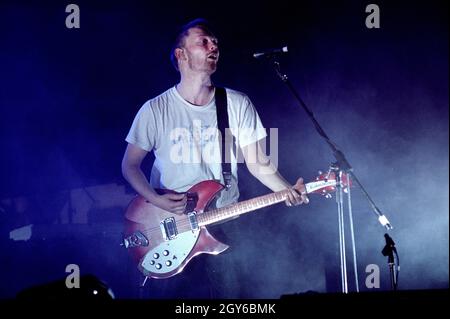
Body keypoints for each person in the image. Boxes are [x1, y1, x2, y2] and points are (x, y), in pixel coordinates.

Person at [121, 18, 309, 298]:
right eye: (204, 41)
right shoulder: (155, 110)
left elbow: (258, 163)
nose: (214, 47)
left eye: (216, 43)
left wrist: (287, 191)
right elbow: (130, 166)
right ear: (181, 54)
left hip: (223, 224)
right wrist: (157, 199)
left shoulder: (235, 103)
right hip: (168, 227)